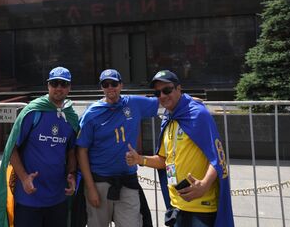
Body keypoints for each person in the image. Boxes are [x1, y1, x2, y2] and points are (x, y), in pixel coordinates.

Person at [125, 70, 234, 227]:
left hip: (201, 207)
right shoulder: (168, 119)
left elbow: (217, 158)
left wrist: (203, 185)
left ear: (178, 89)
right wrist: (140, 159)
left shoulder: (198, 114)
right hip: (176, 205)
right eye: (158, 92)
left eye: (167, 90)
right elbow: (164, 160)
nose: (162, 95)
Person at [0, 66, 79, 227]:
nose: (59, 88)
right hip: (29, 197)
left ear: (69, 87)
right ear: (48, 85)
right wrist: (24, 178)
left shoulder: (71, 117)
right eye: (55, 83)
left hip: (58, 196)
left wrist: (71, 173)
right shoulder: (33, 113)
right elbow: (12, 149)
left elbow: (71, 150)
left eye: (63, 84)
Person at [76, 69, 159, 227]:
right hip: (100, 182)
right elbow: (82, 151)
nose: (110, 87)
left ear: (121, 85)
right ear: (101, 87)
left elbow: (166, 100)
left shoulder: (134, 103)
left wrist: (190, 101)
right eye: (105, 84)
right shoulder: (91, 114)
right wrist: (90, 187)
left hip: (127, 181)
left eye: (114, 83)